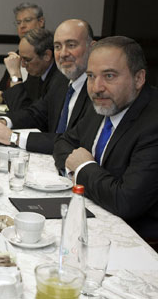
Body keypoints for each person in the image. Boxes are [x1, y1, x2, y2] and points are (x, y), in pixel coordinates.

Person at [54, 36, 158, 242]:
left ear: (139, 79)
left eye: (109, 76)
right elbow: (63, 142)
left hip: (136, 241)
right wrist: (79, 168)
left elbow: (125, 201)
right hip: (94, 215)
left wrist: (83, 169)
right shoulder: (105, 103)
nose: (96, 87)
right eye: (91, 76)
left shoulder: (153, 124)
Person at [0, 19, 94, 154]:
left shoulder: (97, 90)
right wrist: (3, 121)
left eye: (71, 45)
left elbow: (73, 141)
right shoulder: (62, 81)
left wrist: (14, 138)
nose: (63, 53)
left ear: (92, 48)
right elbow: (36, 114)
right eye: (57, 46)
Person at [0, 2, 45, 105]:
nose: (22, 26)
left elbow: (31, 98)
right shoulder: (17, 54)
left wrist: (15, 76)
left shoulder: (45, 56)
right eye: (18, 22)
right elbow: (3, 86)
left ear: (41, 22)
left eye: (27, 20)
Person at [0, 28, 60, 111]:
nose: (23, 65)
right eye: (21, 59)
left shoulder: (59, 80)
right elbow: (24, 102)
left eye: (27, 60)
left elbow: (24, 114)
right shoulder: (36, 73)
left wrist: (15, 75)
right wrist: (2, 98)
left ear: (47, 55)